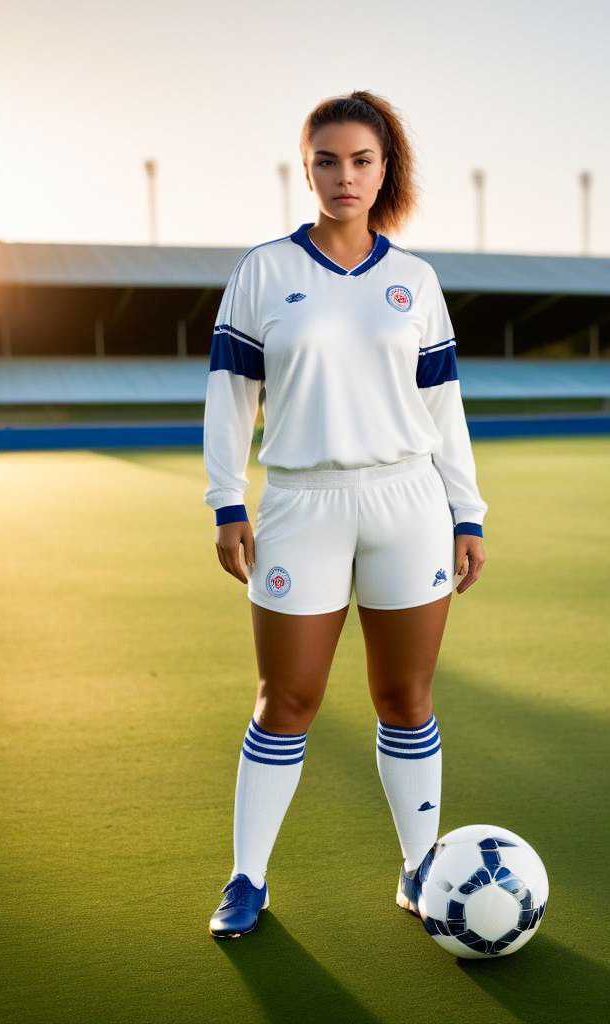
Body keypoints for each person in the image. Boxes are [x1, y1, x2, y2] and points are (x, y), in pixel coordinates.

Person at [203, 89, 488, 939]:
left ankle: (420, 869)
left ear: (384, 167)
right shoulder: (264, 271)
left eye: (361, 160)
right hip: (300, 502)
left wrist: (466, 514)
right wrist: (226, 499)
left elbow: (444, 408)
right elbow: (229, 395)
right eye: (327, 160)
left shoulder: (416, 280)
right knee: (285, 699)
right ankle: (247, 878)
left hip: (409, 504)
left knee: (406, 696)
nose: (344, 176)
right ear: (307, 168)